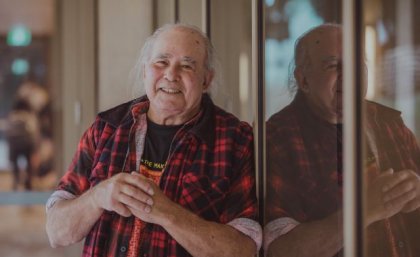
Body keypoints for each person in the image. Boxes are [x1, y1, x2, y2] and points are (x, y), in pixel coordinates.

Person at [45, 23, 261, 257]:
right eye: (162, 62)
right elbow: (57, 231)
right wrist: (98, 196)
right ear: (145, 70)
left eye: (187, 66)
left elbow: (243, 249)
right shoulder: (106, 128)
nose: (171, 75)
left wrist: (167, 213)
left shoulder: (235, 141)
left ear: (206, 80)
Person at [265, 23, 420, 257]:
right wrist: (363, 211)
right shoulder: (277, 137)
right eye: (332, 66)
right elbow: (280, 250)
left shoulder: (389, 124)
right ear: (303, 79)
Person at [5, 98, 40, 190]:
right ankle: (28, 183)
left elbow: (8, 132)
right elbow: (33, 132)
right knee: (29, 165)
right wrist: (35, 147)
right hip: (26, 144)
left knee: (15, 165)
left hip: (14, 145)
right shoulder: (28, 116)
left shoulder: (12, 116)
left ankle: (16, 182)